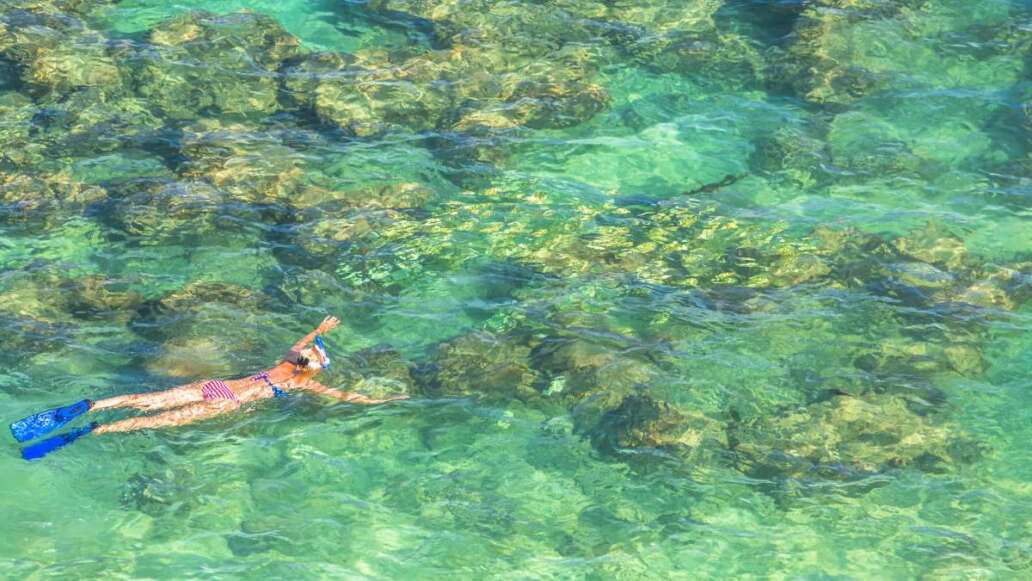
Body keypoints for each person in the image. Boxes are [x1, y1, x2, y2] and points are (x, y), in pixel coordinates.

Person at [11, 316, 406, 459]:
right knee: (149, 422)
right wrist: (382, 399)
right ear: (314, 371)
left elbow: (298, 346)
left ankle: (92, 405)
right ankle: (94, 429)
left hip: (216, 386)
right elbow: (345, 396)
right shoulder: (304, 384)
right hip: (228, 402)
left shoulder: (285, 362)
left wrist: (318, 330)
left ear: (304, 361)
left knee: (141, 401)